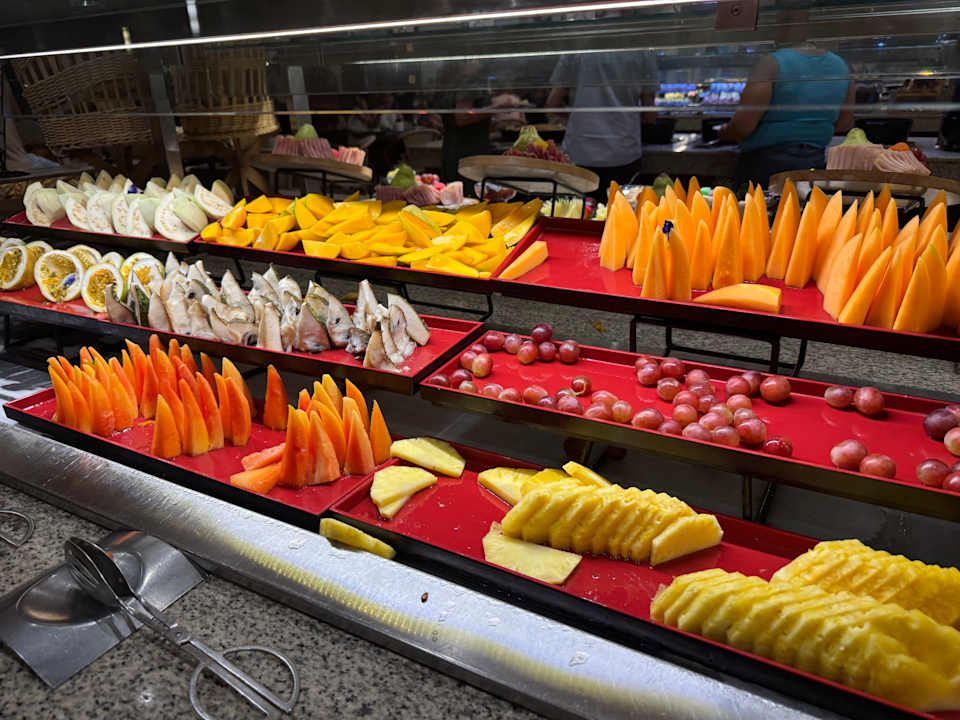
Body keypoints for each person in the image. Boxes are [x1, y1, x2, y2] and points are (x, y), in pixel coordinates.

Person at [718, 44, 855, 189]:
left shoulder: (771, 63)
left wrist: (723, 132)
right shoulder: (842, 66)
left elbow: (742, 127)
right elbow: (845, 123)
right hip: (814, 160)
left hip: (765, 163)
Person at [546, 50, 657, 199]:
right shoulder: (643, 52)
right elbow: (649, 114)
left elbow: (552, 105)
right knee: (620, 211)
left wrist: (579, 116)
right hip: (624, 153)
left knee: (580, 211)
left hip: (579, 153)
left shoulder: (575, 49)